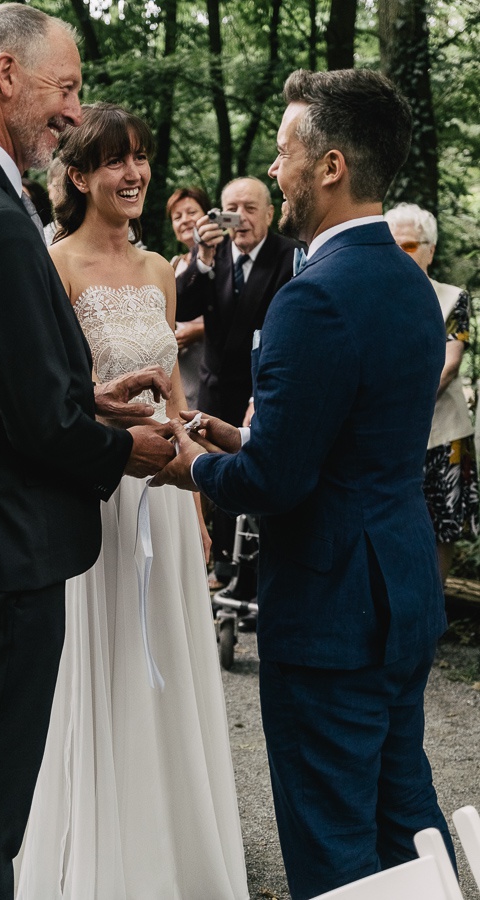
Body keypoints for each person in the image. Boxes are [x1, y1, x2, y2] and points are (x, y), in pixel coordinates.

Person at [0, 6, 173, 900]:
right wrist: (128, 448)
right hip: (4, 543)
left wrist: (87, 400)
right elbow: (36, 427)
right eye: (67, 87)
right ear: (6, 74)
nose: (74, 110)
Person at [153, 67, 456, 899]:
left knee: (333, 844)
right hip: (400, 588)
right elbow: (347, 438)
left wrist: (192, 465)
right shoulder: (410, 284)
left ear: (330, 165)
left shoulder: (312, 296)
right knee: (404, 811)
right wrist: (247, 436)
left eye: (285, 152)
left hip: (332, 612)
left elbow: (276, 481)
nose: (273, 169)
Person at [13, 101, 248, 900]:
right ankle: (106, 849)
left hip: (168, 493)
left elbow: (175, 392)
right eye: (116, 159)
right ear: (79, 176)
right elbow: (50, 399)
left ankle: (174, 844)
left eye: (140, 157)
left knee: (169, 661)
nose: (134, 172)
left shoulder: (158, 271)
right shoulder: (55, 266)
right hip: (98, 495)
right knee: (105, 657)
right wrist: (110, 431)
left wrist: (198, 500)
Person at [176, 175, 297, 590]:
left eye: (250, 208)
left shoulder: (290, 256)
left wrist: (259, 396)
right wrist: (203, 259)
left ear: (270, 213)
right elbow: (181, 306)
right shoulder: (213, 253)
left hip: (263, 388)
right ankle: (223, 566)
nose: (240, 218)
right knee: (219, 476)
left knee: (258, 476)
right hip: (215, 386)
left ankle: (254, 575)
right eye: (231, 209)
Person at [385, 202, 478, 584]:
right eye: (392, 245)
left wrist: (395, 404)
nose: (400, 253)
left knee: (442, 525)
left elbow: (449, 365)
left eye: (408, 245)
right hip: (388, 435)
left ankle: (434, 607)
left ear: (430, 249)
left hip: (442, 433)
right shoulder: (373, 297)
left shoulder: (453, 298)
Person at [166, 186, 210, 408]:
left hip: (212, 361)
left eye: (191, 213)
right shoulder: (173, 264)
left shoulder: (226, 258)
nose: (184, 220)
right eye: (177, 217)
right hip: (182, 368)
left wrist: (199, 331)